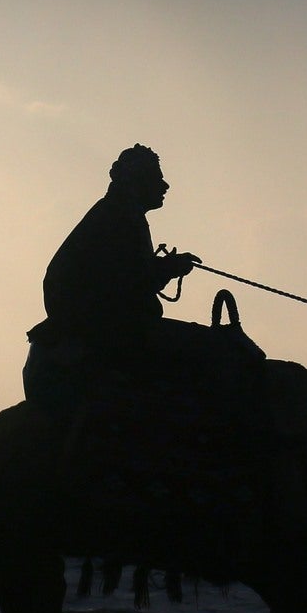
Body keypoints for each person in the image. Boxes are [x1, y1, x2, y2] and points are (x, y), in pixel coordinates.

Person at [22, 144, 200, 420]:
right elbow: (125, 283)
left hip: (103, 325)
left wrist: (163, 268)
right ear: (136, 181)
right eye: (155, 178)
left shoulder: (119, 214)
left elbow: (125, 276)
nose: (164, 185)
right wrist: (168, 268)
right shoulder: (119, 217)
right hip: (103, 330)